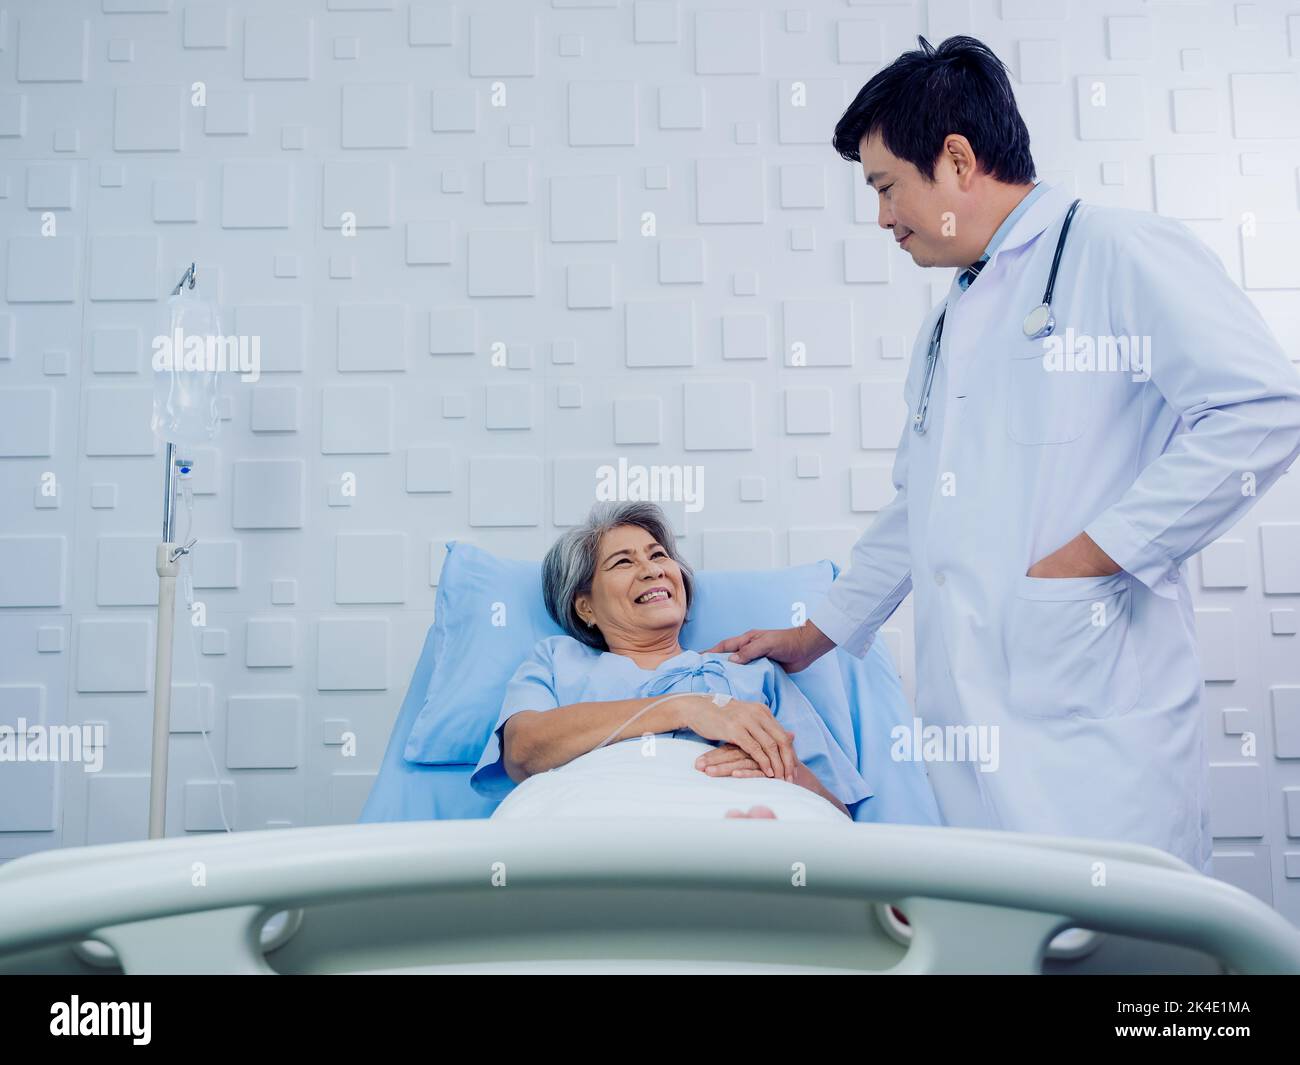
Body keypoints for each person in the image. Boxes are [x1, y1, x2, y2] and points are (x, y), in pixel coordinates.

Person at [703, 36, 1300, 874]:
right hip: (970, 742)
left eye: (884, 186)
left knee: (1131, 961)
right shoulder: (946, 324)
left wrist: (1093, 559)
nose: (881, 217)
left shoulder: (1115, 253)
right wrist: (821, 632)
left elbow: (1263, 406)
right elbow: (922, 508)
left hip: (1093, 731)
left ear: (955, 160)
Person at [469, 501, 872, 822]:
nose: (653, 570)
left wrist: (779, 769)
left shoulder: (751, 669)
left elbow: (835, 813)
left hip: (742, 807)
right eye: (623, 562)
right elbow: (522, 752)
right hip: (596, 812)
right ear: (585, 607)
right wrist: (683, 708)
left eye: (659, 555)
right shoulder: (557, 660)